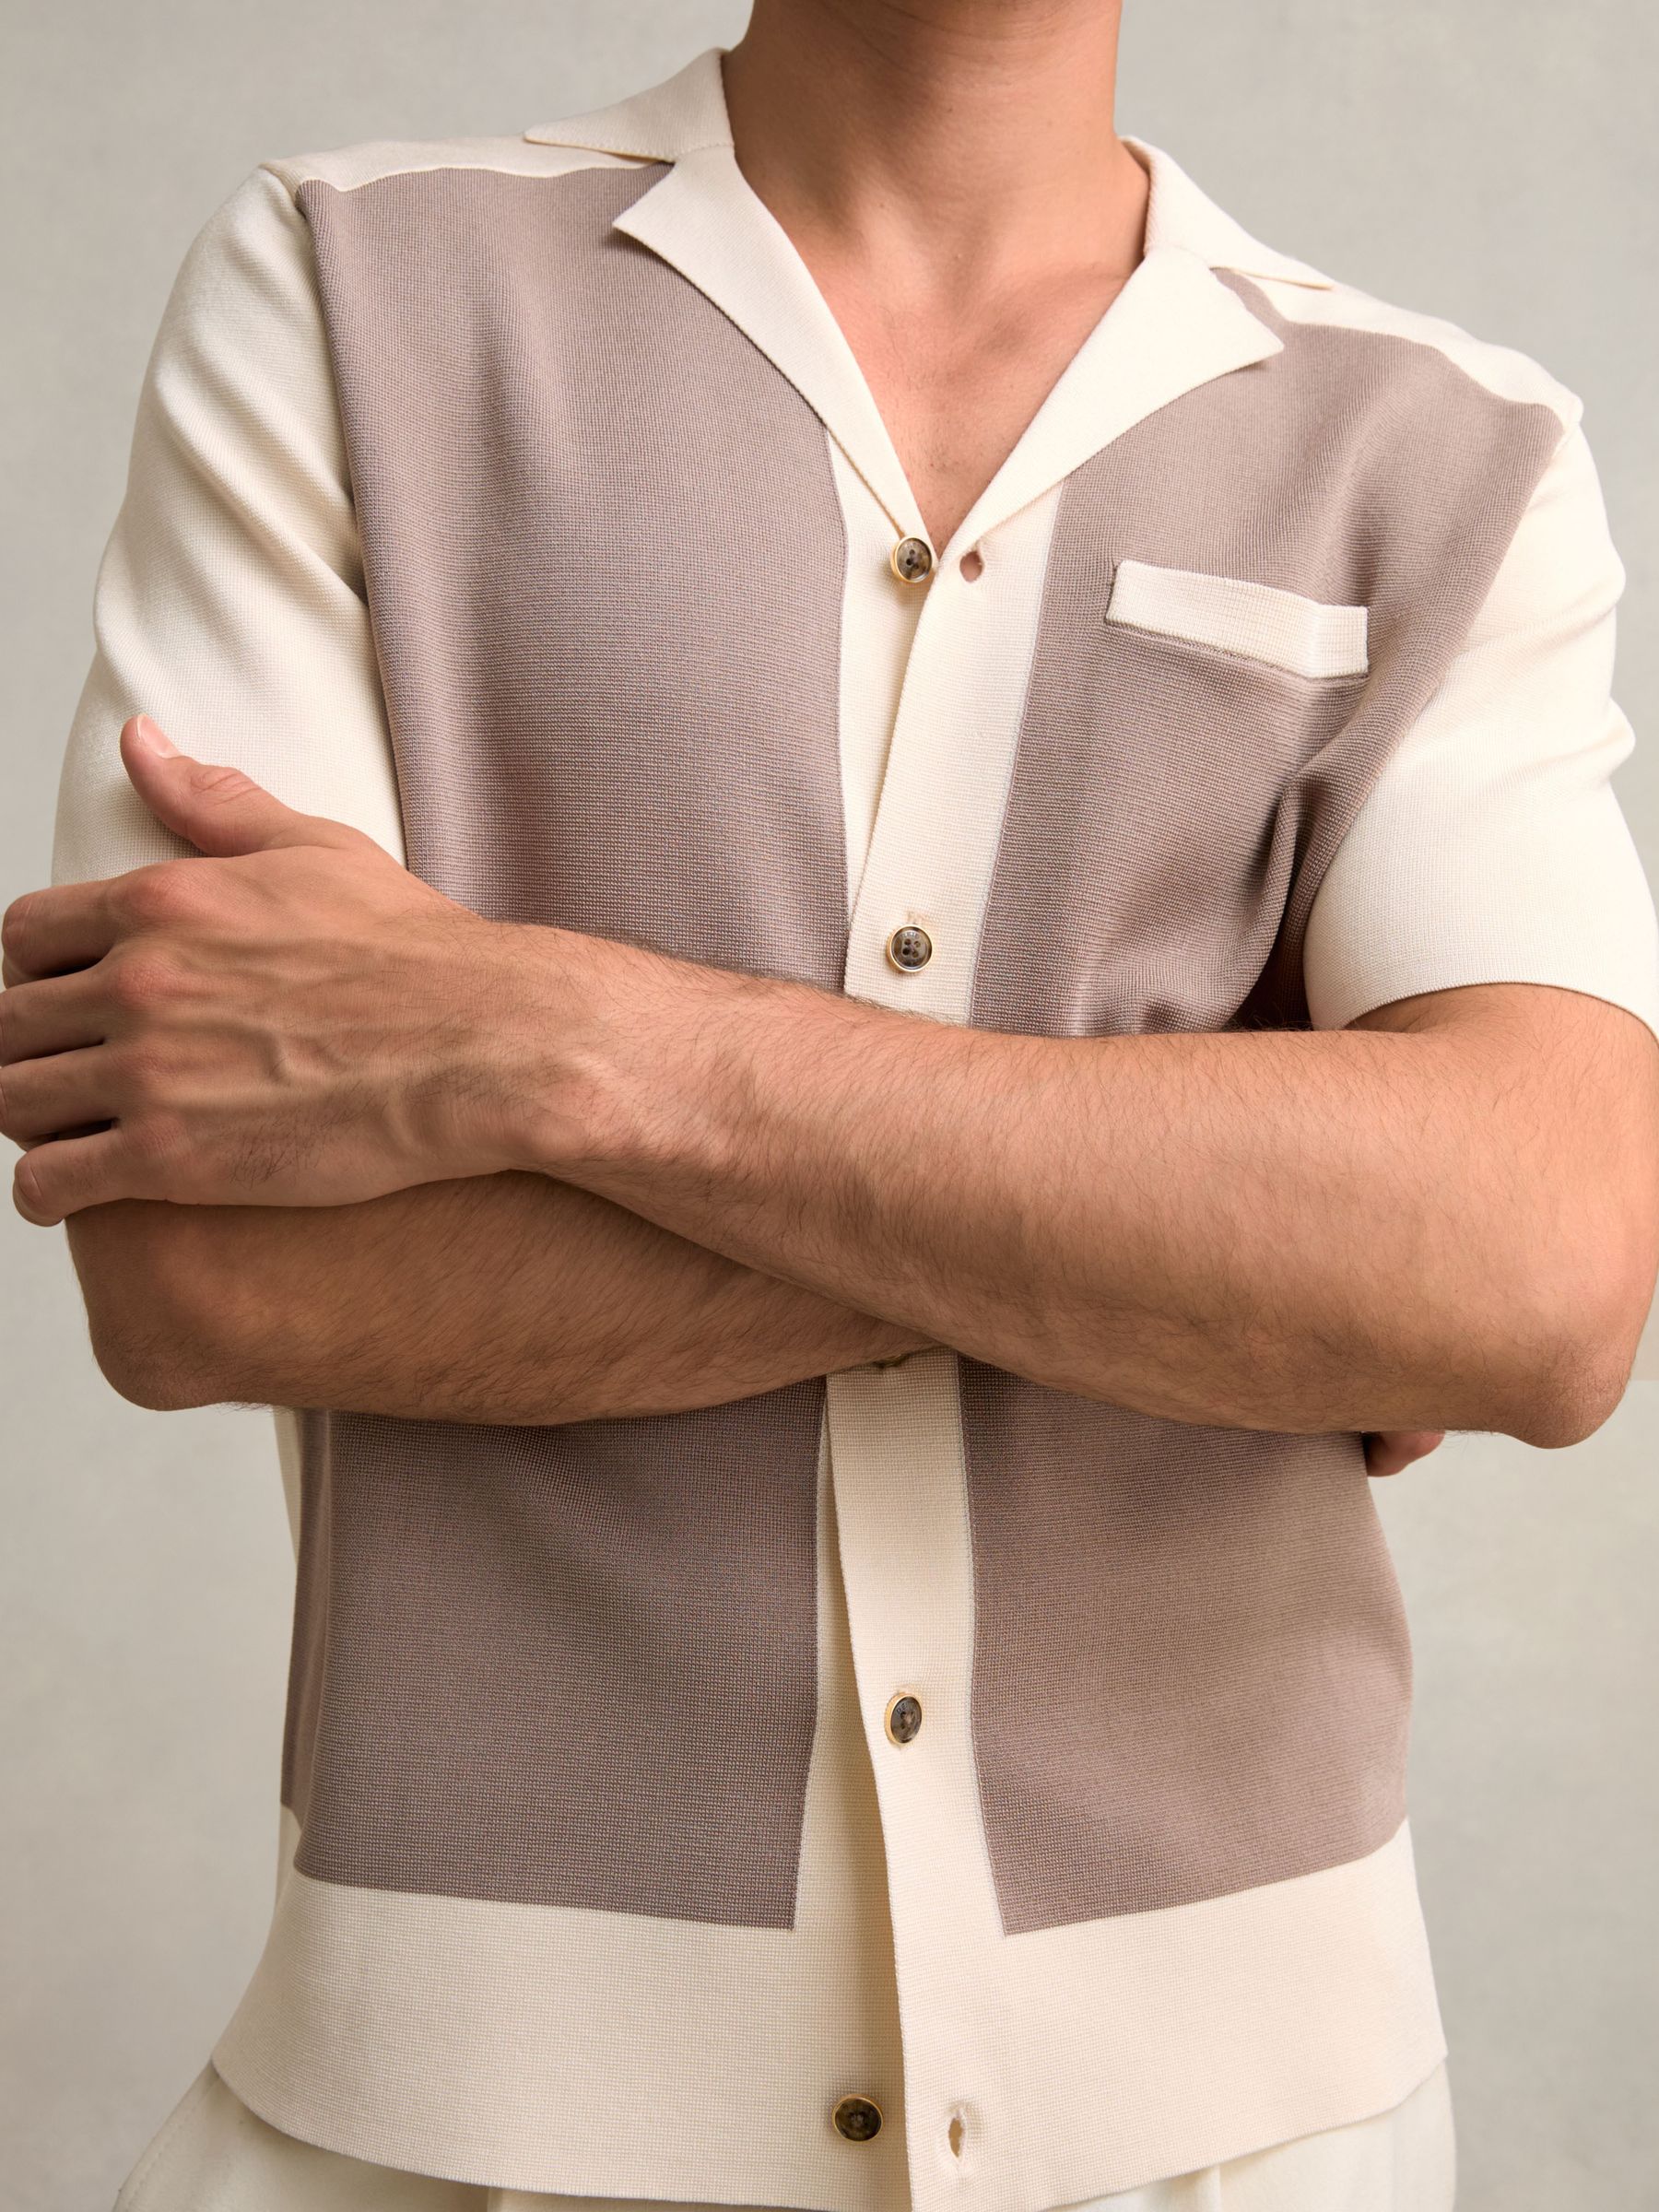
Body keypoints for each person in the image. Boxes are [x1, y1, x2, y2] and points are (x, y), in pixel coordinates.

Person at [6, 4, 1658, 2208]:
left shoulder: (1453, 447)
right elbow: (201, 1268)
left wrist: (546, 1042)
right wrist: (1231, 1226)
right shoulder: (347, 284)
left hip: (1258, 2134)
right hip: (451, 2127)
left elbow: (1534, 1273)